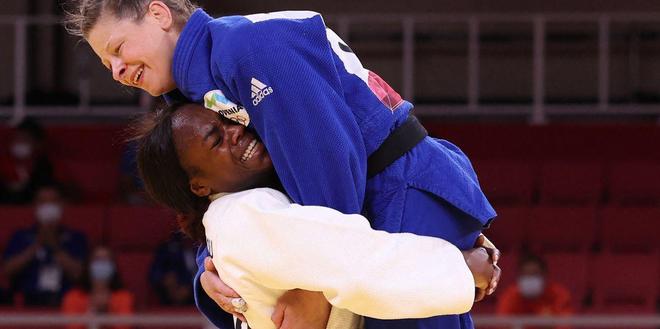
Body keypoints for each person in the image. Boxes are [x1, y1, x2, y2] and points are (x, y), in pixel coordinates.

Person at [67, 2, 499, 328]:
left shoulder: (248, 46)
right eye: (107, 65)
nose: (118, 72)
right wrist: (209, 266)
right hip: (364, 210)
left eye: (118, 49)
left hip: (395, 190)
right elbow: (224, 202)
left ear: (158, 14)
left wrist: (314, 289)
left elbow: (327, 155)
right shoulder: (189, 95)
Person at [134, 102, 499, 329]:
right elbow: (355, 263)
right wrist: (462, 267)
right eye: (215, 140)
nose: (235, 133)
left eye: (228, 120)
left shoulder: (238, 213)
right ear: (198, 186)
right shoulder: (241, 216)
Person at [1, 185, 88, 307]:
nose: (48, 206)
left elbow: (80, 274)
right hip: (28, 301)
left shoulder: (76, 237)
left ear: (61, 205)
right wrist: (37, 244)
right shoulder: (20, 236)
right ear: (34, 206)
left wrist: (55, 246)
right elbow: (7, 270)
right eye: (42, 202)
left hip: (65, 301)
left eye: (53, 201)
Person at [62, 245, 135, 329]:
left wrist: (106, 314)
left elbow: (125, 327)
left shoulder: (124, 297)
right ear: (88, 264)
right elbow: (72, 327)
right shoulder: (73, 297)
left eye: (106, 260)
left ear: (113, 266)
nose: (102, 264)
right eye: (97, 259)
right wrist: (90, 314)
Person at [496, 254, 573, 329]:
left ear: (544, 275)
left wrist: (552, 325)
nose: (530, 278)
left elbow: (566, 325)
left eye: (534, 274)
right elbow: (502, 324)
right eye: (526, 274)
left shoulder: (558, 295)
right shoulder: (510, 296)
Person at [0, 117, 55, 204]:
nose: (19, 142)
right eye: (17, 138)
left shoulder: (43, 166)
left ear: (37, 144)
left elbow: (45, 190)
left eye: (25, 139)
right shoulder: (2, 162)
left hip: (29, 209)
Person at [149, 231, 197, 306]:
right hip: (174, 291)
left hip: (197, 288)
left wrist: (191, 286)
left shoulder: (204, 250)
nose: (189, 240)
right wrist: (165, 279)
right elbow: (155, 273)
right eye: (186, 237)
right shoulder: (169, 250)